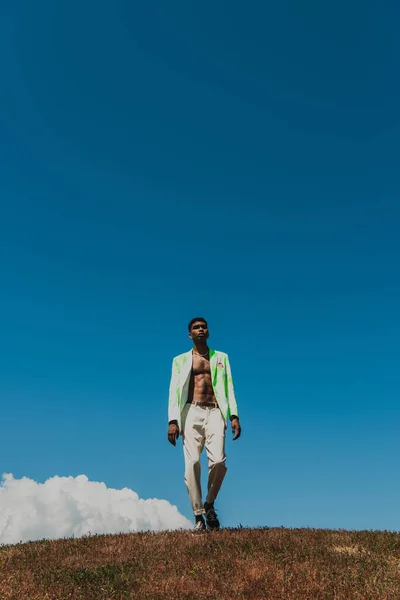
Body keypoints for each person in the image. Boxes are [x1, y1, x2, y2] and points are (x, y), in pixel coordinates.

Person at [168, 317, 241, 531]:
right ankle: (199, 515)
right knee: (192, 464)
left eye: (203, 327)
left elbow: (230, 387)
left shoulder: (221, 358)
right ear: (190, 334)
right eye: (196, 328)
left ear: (208, 332)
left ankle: (209, 503)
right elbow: (173, 391)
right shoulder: (180, 360)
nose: (200, 330)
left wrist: (234, 415)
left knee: (218, 461)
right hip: (190, 411)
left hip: (216, 410)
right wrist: (173, 421)